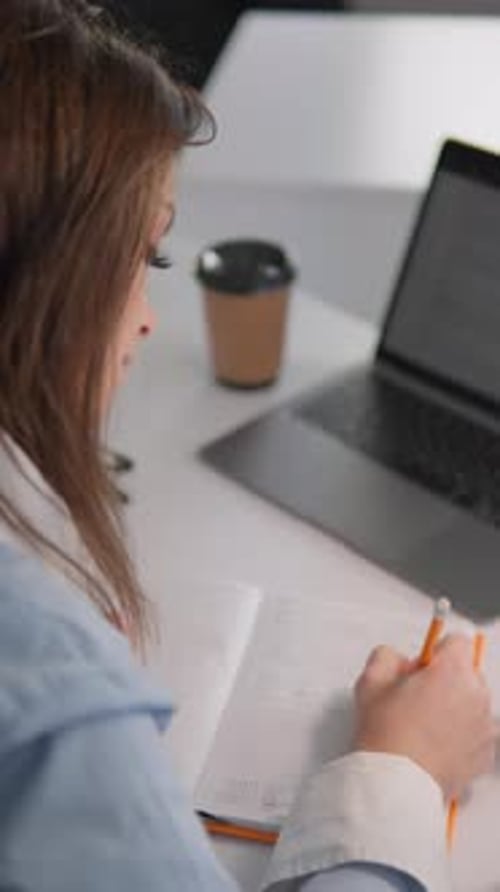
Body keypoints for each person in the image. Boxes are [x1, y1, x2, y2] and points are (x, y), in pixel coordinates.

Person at [0, 2, 495, 891]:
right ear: (45, 282)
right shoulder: (40, 684)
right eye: (144, 262)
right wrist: (404, 769)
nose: (149, 320)